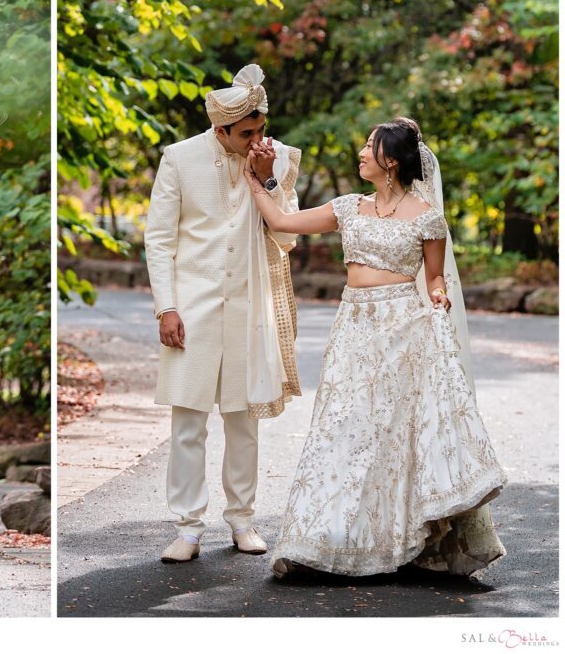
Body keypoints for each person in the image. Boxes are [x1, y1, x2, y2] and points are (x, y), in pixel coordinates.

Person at [245, 117, 507, 577]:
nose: (362, 153)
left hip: (403, 332)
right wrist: (262, 181)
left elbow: (434, 278)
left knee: (389, 437)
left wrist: (440, 295)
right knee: (342, 430)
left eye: (370, 147)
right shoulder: (349, 207)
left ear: (390, 161)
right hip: (353, 329)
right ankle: (325, 539)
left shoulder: (428, 217)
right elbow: (284, 222)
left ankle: (397, 542)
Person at [144, 64, 303, 564]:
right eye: (247, 134)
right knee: (188, 422)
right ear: (220, 130)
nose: (258, 139)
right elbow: (160, 238)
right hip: (190, 308)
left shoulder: (276, 160)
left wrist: (267, 175)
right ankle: (188, 527)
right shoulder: (179, 159)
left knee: (243, 420)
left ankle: (243, 519)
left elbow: (288, 233)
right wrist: (166, 307)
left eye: (261, 129)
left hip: (248, 308)